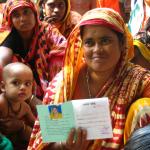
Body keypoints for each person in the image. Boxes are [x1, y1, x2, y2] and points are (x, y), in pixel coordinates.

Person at [28, 8, 150, 150]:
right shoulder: (63, 85)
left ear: (122, 43)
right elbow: (44, 142)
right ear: (82, 46)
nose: (97, 49)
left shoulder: (137, 80)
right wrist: (64, 146)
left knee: (143, 108)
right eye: (89, 42)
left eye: (105, 40)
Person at [0, 0, 66, 99]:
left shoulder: (47, 30)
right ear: (10, 20)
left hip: (53, 84)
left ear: (35, 13)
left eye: (26, 12)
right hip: (22, 92)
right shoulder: (8, 36)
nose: (23, 19)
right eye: (16, 15)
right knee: (12, 65)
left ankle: (55, 98)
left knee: (59, 58)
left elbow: (66, 48)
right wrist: (30, 98)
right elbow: (2, 62)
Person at [0, 62, 36, 149]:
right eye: (16, 83)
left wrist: (22, 127)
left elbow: (36, 126)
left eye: (27, 84)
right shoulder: (1, 103)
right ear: (3, 87)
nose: (23, 87)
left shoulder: (25, 108)